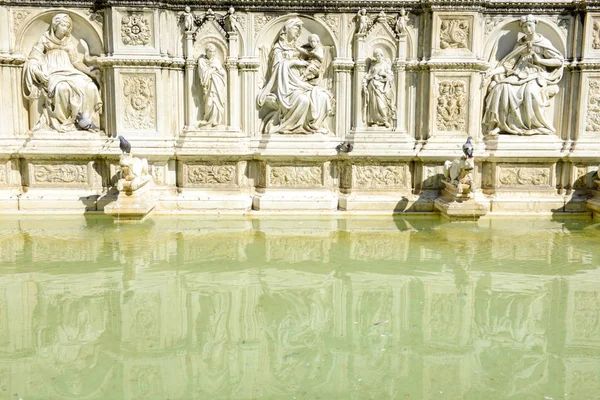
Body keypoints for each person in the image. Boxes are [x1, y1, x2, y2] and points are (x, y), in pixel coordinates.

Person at [482, 15, 564, 136]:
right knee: (500, 88)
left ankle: (535, 126)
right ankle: (501, 124)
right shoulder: (520, 44)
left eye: (530, 25)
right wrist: (492, 73)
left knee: (530, 91)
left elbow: (558, 61)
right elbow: (508, 65)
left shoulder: (543, 43)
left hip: (536, 75)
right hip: (519, 74)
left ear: (535, 25)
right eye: (525, 26)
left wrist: (540, 61)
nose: (527, 29)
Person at [23, 13, 102, 132]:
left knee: (90, 87)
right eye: (63, 25)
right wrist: (37, 71)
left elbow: (76, 62)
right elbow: (34, 57)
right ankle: (64, 122)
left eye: (67, 26)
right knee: (62, 88)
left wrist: (90, 73)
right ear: (55, 26)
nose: (65, 28)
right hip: (53, 72)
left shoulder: (69, 43)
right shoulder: (45, 39)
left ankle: (86, 122)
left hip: (70, 71)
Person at [257, 18, 332, 134]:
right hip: (285, 87)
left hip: (300, 83)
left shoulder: (297, 47)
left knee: (323, 96)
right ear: (286, 30)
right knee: (304, 100)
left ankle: (314, 126)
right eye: (295, 29)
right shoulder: (278, 48)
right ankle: (287, 127)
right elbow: (277, 69)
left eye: (298, 30)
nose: (297, 32)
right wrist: (295, 62)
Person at [362, 48, 395, 128]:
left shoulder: (385, 65)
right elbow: (368, 75)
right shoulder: (373, 66)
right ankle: (375, 121)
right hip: (372, 87)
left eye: (379, 55)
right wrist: (367, 79)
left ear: (382, 55)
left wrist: (383, 74)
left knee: (381, 104)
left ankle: (385, 120)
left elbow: (390, 77)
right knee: (373, 105)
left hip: (381, 88)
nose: (378, 57)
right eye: (376, 56)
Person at [197, 43, 226, 127]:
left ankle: (216, 121)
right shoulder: (202, 60)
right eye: (210, 51)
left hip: (217, 85)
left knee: (217, 102)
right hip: (208, 85)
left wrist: (215, 69)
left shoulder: (216, 61)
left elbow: (223, 73)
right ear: (206, 51)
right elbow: (203, 73)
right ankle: (206, 119)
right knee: (209, 103)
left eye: (213, 51)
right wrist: (213, 69)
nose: (212, 53)